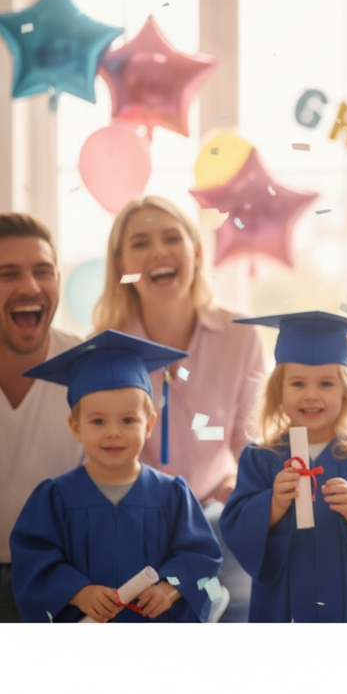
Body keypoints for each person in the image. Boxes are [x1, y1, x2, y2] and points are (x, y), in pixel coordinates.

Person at [92, 195, 265, 622]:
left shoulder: (240, 337)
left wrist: (243, 484)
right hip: (134, 518)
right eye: (141, 243)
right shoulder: (103, 350)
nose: (159, 252)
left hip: (215, 516)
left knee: (239, 602)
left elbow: (251, 443)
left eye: (172, 238)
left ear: (197, 252)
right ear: (120, 263)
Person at [9, 331, 223, 623]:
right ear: (75, 427)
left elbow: (202, 556)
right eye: (98, 421)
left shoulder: (172, 495)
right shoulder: (55, 498)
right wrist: (78, 592)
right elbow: (33, 561)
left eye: (128, 420)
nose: (113, 432)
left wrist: (171, 587)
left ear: (149, 424)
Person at [220, 312, 347, 622]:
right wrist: (273, 503)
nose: (311, 395)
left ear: (345, 392)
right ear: (278, 392)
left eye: (325, 383)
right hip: (283, 592)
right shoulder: (260, 456)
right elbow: (237, 525)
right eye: (297, 383)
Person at [0, 212, 83, 622]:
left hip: (60, 576)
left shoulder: (87, 366)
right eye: (8, 274)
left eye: (43, 271)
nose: (31, 287)